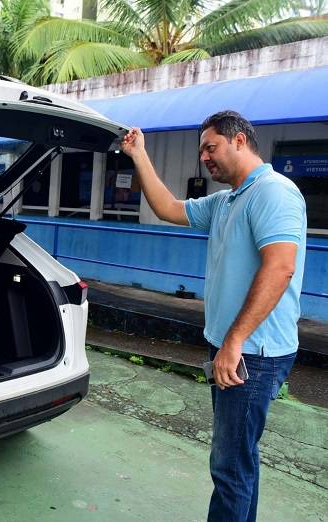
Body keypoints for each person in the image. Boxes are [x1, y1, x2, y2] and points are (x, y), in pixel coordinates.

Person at [121, 110, 307, 522]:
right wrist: (138, 155)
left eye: (211, 147)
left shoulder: (274, 193)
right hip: (233, 347)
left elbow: (280, 267)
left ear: (239, 140)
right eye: (201, 150)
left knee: (229, 468)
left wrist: (235, 341)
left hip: (252, 353)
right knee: (239, 462)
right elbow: (169, 208)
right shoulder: (227, 200)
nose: (204, 157)